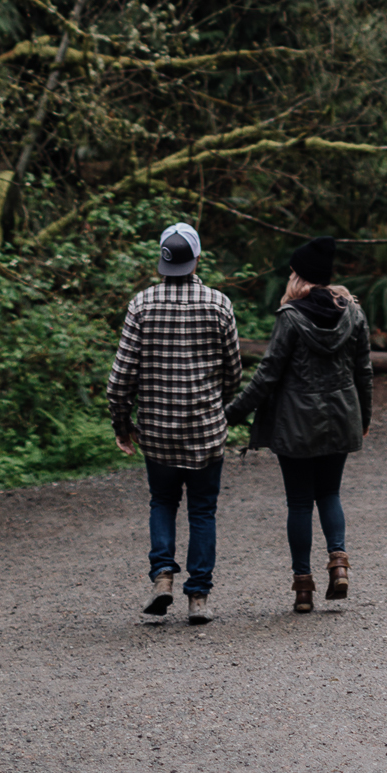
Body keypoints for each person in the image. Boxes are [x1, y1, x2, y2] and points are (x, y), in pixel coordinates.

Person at [223, 234, 372, 613]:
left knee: (300, 503)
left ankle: (303, 587)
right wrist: (364, 417)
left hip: (296, 423)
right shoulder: (353, 313)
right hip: (341, 417)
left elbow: (268, 374)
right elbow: (363, 371)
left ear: (299, 277)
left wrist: (229, 414)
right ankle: (338, 561)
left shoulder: (291, 318)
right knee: (330, 494)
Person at [106, 219, 242, 625]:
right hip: (205, 431)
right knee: (202, 511)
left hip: (158, 434)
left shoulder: (141, 305)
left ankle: (162, 576)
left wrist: (122, 425)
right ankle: (198, 597)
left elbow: (119, 380)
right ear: (197, 260)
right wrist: (217, 406)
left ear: (161, 261)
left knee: (163, 502)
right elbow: (234, 373)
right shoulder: (219, 304)